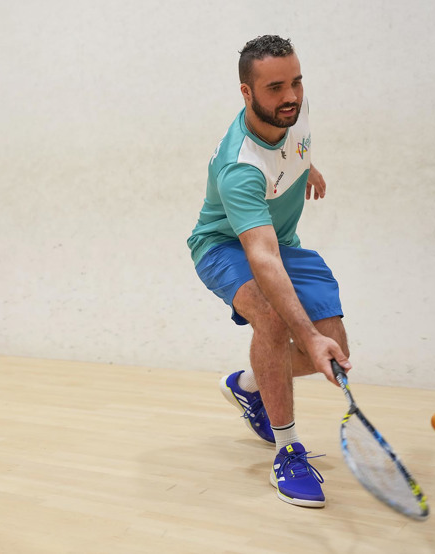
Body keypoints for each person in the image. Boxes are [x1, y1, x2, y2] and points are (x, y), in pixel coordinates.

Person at [187, 35, 352, 508]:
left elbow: (287, 148)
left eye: (296, 82)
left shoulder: (292, 118)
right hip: (225, 247)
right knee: (275, 323)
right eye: (276, 87)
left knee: (335, 350)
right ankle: (287, 453)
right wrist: (304, 332)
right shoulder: (239, 168)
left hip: (281, 245)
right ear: (247, 93)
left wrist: (309, 168)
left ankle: (248, 385)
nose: (291, 97)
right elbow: (260, 257)